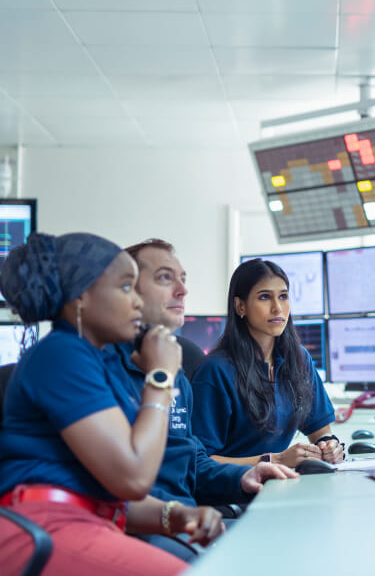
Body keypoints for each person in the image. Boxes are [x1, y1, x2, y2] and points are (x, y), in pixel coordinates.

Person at [0, 232, 217, 576]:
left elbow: (108, 495)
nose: (136, 303)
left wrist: (175, 515)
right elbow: (132, 478)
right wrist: (161, 376)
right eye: (126, 288)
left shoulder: (96, 362)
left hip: (86, 522)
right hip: (43, 529)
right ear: (82, 296)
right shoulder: (61, 354)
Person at [108, 239, 297, 561]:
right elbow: (117, 478)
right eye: (166, 278)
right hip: (135, 526)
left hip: (184, 517)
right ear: (128, 290)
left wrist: (249, 473)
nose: (182, 290)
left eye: (184, 279)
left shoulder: (174, 369)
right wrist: (159, 378)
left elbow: (191, 459)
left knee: (292, 538)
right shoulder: (102, 369)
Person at [191, 258, 344, 467]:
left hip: (278, 483)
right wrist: (275, 461)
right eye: (264, 297)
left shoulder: (298, 360)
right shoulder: (215, 371)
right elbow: (199, 462)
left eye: (283, 296)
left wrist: (330, 446)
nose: (277, 308)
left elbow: (321, 431)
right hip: (235, 492)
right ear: (240, 306)